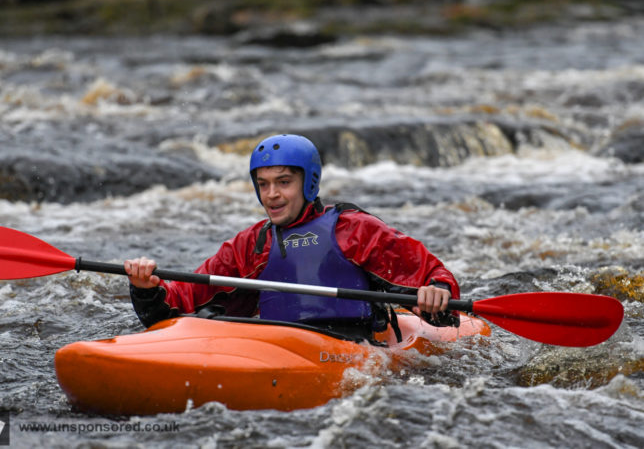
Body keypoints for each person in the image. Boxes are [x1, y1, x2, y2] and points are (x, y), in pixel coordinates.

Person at [125, 134, 459, 341]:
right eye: (263, 184)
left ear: (309, 182)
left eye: (283, 182)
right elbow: (177, 302)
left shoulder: (354, 229)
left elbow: (430, 274)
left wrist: (436, 292)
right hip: (277, 346)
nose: (271, 194)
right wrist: (146, 288)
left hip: (354, 346)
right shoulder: (251, 244)